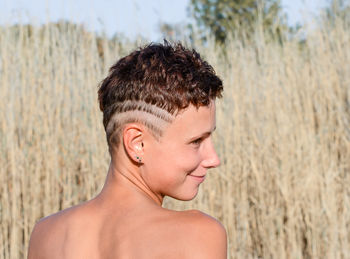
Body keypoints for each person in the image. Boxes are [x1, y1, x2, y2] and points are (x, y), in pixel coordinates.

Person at [28, 41, 227, 259]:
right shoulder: (198, 234)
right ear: (137, 143)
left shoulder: (45, 233)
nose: (213, 159)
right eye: (197, 141)